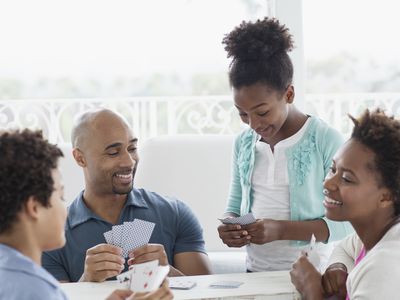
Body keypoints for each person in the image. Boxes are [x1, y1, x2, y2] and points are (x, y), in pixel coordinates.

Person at [217, 17, 353, 272]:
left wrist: (281, 229)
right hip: (255, 272)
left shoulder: (325, 140)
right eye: (242, 114)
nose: (253, 124)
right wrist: (230, 226)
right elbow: (234, 206)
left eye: (262, 112)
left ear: (289, 94)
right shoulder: (243, 144)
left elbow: (348, 222)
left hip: (315, 276)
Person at [42, 108, 212, 282]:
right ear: (80, 158)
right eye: (113, 152)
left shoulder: (175, 213)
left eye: (132, 148)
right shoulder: (53, 234)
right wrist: (86, 282)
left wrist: (167, 271)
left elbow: (209, 295)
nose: (129, 161)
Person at [0, 129, 172, 300]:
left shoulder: (11, 274)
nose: (65, 207)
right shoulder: (34, 290)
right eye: (60, 196)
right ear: (35, 208)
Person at [290, 109, 400, 299]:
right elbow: (343, 248)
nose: (327, 183)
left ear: (386, 197)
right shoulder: (371, 237)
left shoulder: (385, 266)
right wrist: (338, 267)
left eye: (347, 179)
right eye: (333, 169)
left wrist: (311, 288)